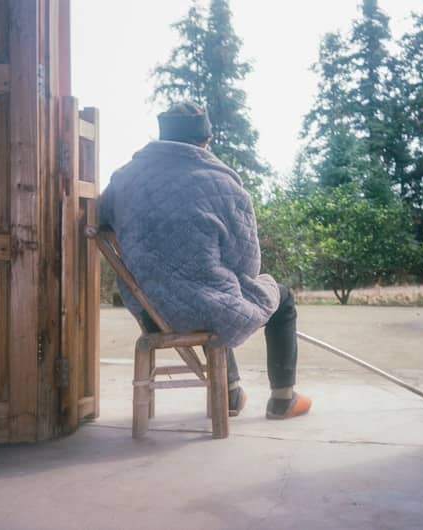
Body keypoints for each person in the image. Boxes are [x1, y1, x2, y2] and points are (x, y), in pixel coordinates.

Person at [98, 101, 311, 420]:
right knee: (261, 296)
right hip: (202, 307)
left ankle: (230, 393)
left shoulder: (124, 178)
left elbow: (100, 221)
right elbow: (247, 267)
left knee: (201, 290)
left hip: (149, 309)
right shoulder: (223, 183)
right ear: (205, 140)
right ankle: (283, 398)